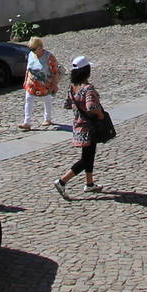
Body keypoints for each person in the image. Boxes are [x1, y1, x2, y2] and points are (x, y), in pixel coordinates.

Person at [57, 56, 105, 195]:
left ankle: (89, 183)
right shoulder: (88, 88)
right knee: (86, 159)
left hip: (78, 127)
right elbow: (91, 107)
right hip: (90, 127)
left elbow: (67, 105)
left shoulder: (72, 87)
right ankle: (62, 181)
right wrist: (100, 115)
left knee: (89, 155)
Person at [21, 37, 60, 130]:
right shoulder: (31, 55)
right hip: (31, 84)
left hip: (45, 84)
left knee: (47, 100)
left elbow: (55, 72)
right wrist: (25, 80)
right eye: (31, 49)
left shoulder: (49, 57)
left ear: (40, 47)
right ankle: (27, 122)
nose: (32, 51)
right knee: (28, 100)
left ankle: (47, 119)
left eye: (34, 49)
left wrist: (54, 84)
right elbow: (28, 69)